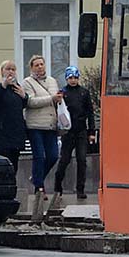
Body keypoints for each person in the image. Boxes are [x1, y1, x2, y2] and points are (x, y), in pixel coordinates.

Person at [22, 55, 63, 218]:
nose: (40, 67)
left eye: (42, 64)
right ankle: (39, 187)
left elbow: (54, 99)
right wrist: (51, 98)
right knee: (39, 156)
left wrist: (58, 100)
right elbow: (31, 102)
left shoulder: (52, 81)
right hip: (35, 125)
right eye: (36, 65)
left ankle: (36, 177)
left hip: (51, 124)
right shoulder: (27, 83)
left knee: (53, 156)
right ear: (31, 67)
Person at [53, 66, 96, 202]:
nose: (73, 80)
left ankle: (80, 189)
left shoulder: (84, 92)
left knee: (82, 160)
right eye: (70, 78)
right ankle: (57, 187)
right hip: (67, 132)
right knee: (64, 160)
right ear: (66, 79)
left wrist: (91, 132)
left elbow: (90, 113)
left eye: (75, 78)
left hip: (81, 131)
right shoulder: (62, 92)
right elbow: (57, 111)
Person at [0, 60, 28, 175]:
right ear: (1, 71)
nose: (11, 72)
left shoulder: (16, 87)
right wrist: (3, 85)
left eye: (13, 69)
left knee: (14, 165)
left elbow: (22, 105)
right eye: (8, 69)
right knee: (4, 163)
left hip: (16, 133)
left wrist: (24, 96)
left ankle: (12, 188)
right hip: (2, 133)